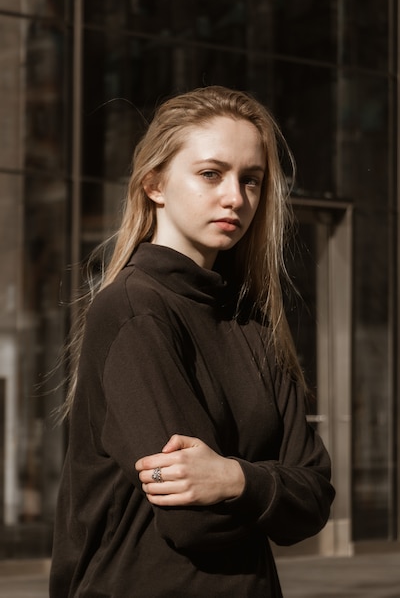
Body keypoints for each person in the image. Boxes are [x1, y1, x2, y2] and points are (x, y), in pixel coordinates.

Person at [49, 85, 335, 598]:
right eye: (210, 173)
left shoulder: (255, 322)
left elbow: (313, 500)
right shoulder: (133, 310)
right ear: (154, 184)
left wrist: (235, 479)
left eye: (251, 180)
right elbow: (193, 523)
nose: (235, 197)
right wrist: (270, 487)